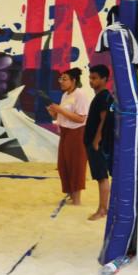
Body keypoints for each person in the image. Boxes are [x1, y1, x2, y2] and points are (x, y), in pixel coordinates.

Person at [47, 67, 91, 206]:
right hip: (65, 132)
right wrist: (53, 112)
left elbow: (80, 118)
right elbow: (63, 115)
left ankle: (77, 199)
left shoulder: (80, 95)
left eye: (64, 79)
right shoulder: (65, 95)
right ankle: (71, 195)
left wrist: (60, 110)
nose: (61, 82)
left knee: (76, 165)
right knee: (63, 164)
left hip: (77, 133)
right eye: (60, 79)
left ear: (74, 80)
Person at [84, 64, 115, 220]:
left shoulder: (103, 96)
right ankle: (103, 208)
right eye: (90, 78)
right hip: (93, 142)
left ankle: (102, 209)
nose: (91, 81)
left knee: (101, 177)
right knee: (100, 177)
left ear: (104, 79)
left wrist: (96, 140)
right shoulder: (100, 96)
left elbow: (104, 120)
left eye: (95, 78)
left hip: (97, 143)